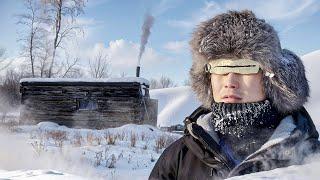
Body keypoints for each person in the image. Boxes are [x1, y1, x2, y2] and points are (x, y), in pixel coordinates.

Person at [149, 10, 320, 180]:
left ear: (272, 78)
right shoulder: (179, 157)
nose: (230, 81)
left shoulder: (311, 158)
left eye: (245, 67)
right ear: (207, 77)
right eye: (220, 68)